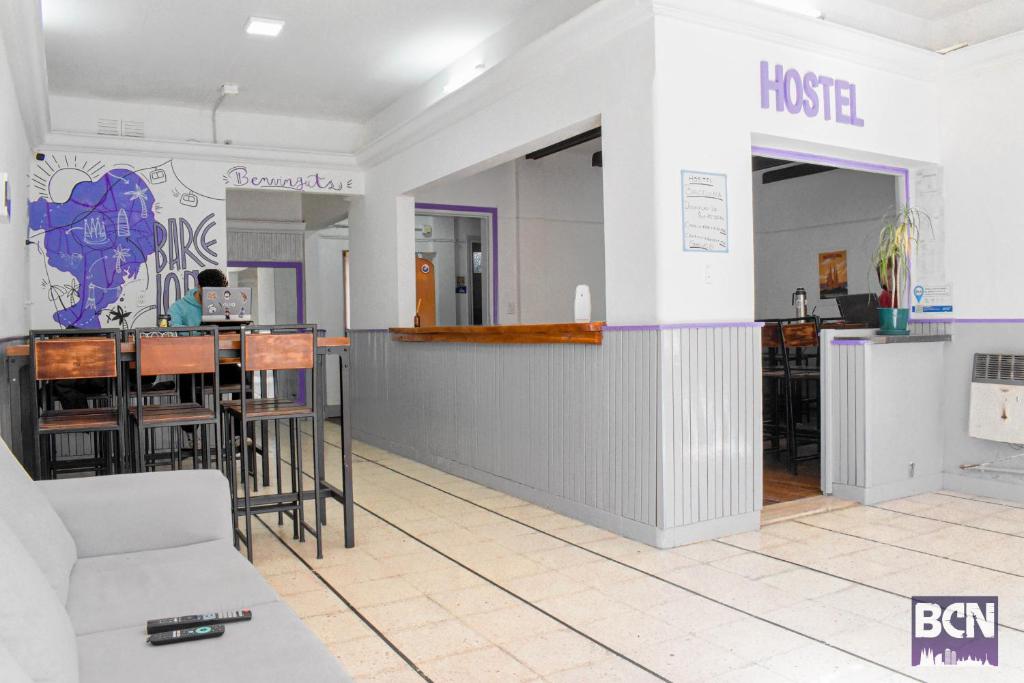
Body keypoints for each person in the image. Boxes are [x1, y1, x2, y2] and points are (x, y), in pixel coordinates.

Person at [169, 268, 242, 406]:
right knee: (186, 375)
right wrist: (201, 332)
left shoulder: (227, 304)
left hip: (220, 363)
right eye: (210, 292)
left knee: (244, 378)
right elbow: (172, 329)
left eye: (218, 293)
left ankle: (239, 424)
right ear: (199, 287)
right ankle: (192, 425)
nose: (214, 296)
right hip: (192, 365)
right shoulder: (179, 307)